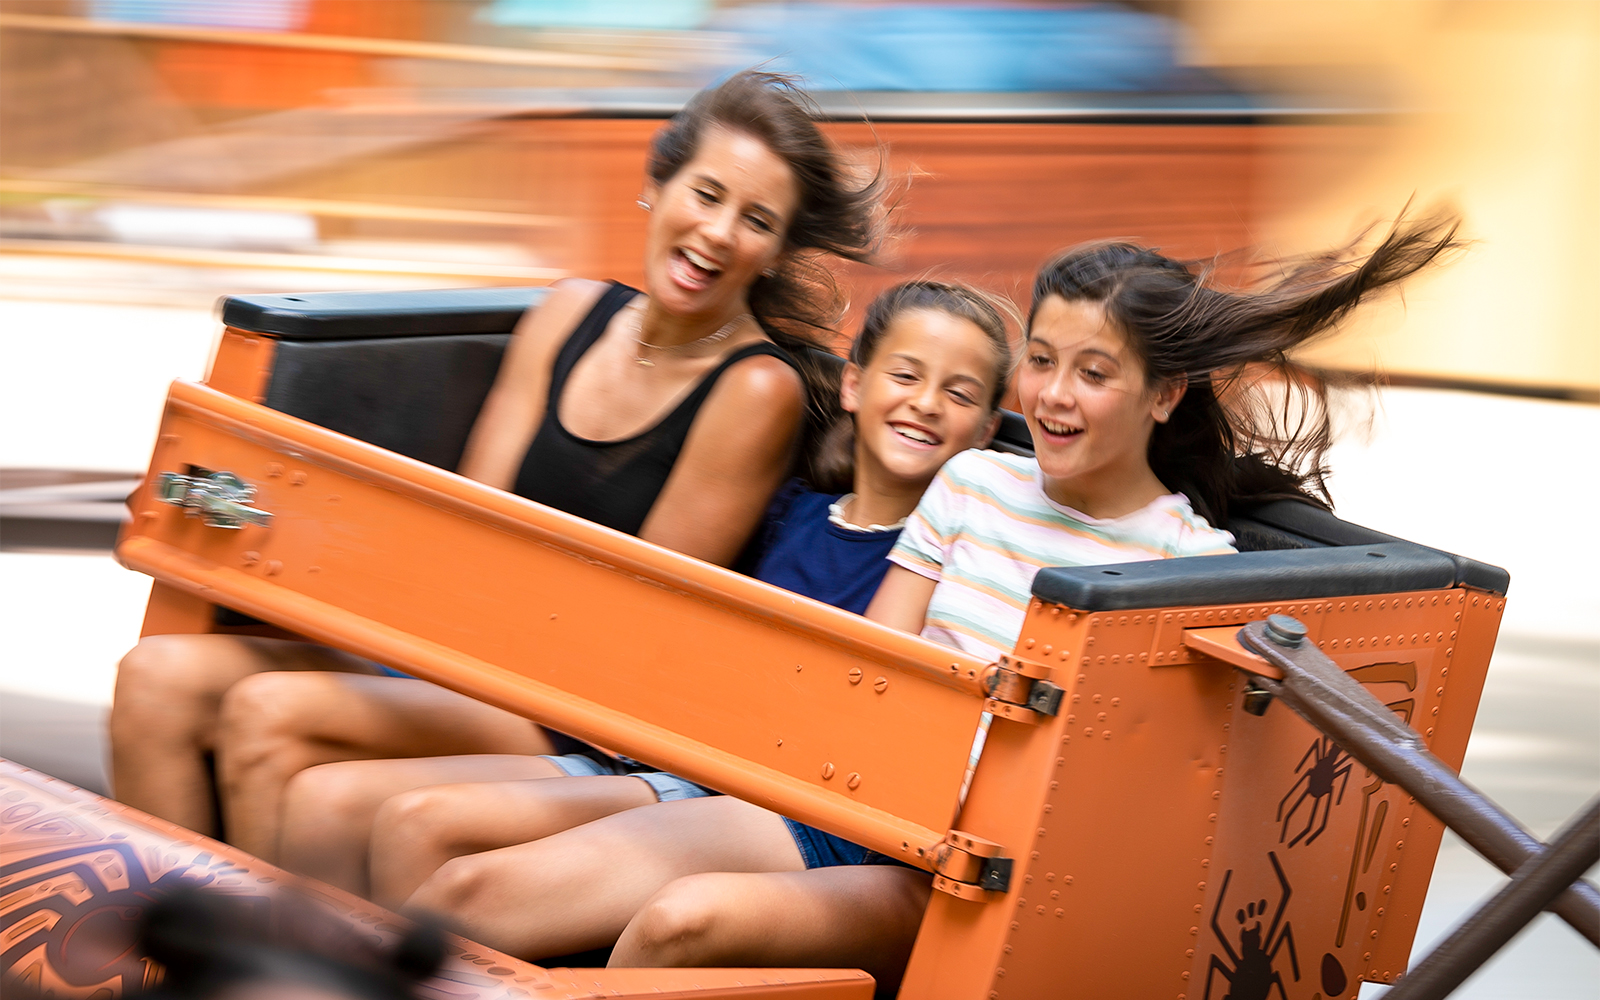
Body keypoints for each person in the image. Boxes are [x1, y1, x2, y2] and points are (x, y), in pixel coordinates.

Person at [356, 213, 1463, 995]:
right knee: (468, 889)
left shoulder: (1186, 559)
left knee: (683, 922)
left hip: (962, 872)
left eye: (1093, 371)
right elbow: (872, 677)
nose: (1054, 396)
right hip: (843, 801)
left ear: (1163, 395)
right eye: (1039, 361)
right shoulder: (975, 481)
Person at [107, 69, 883, 861]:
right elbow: (473, 533)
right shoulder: (569, 314)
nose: (719, 232)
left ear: (775, 252)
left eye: (756, 220)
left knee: (269, 714)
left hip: (572, 703)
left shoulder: (754, 389)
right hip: (459, 645)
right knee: (155, 679)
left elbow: (640, 625)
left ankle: (268, 970)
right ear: (657, 185)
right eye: (707, 194)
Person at [273, 279, 1013, 900]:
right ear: (854, 384)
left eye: (958, 393)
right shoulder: (789, 510)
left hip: (733, 789)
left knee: (426, 826)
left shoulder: (943, 570)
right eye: (906, 375)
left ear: (983, 430)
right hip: (650, 749)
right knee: (361, 805)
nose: (925, 403)